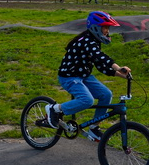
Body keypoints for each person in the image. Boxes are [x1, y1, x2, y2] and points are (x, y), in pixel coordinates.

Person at [45, 11, 131, 141]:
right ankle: (54, 109)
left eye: (108, 28)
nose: (107, 31)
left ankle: (94, 128)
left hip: (84, 76)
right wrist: (118, 67)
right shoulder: (86, 41)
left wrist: (119, 74)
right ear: (96, 27)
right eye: (105, 27)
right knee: (87, 100)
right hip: (69, 76)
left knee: (106, 95)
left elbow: (100, 65)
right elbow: (100, 57)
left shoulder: (94, 41)